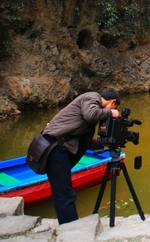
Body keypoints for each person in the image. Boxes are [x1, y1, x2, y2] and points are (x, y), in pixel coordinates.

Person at [42, 90, 121, 224]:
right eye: (115, 108)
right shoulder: (92, 97)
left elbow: (87, 143)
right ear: (113, 102)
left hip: (59, 149)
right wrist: (111, 113)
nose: (112, 112)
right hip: (56, 148)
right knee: (65, 194)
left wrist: (108, 144)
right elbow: (91, 115)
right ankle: (71, 230)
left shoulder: (88, 118)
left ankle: (69, 226)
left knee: (64, 192)